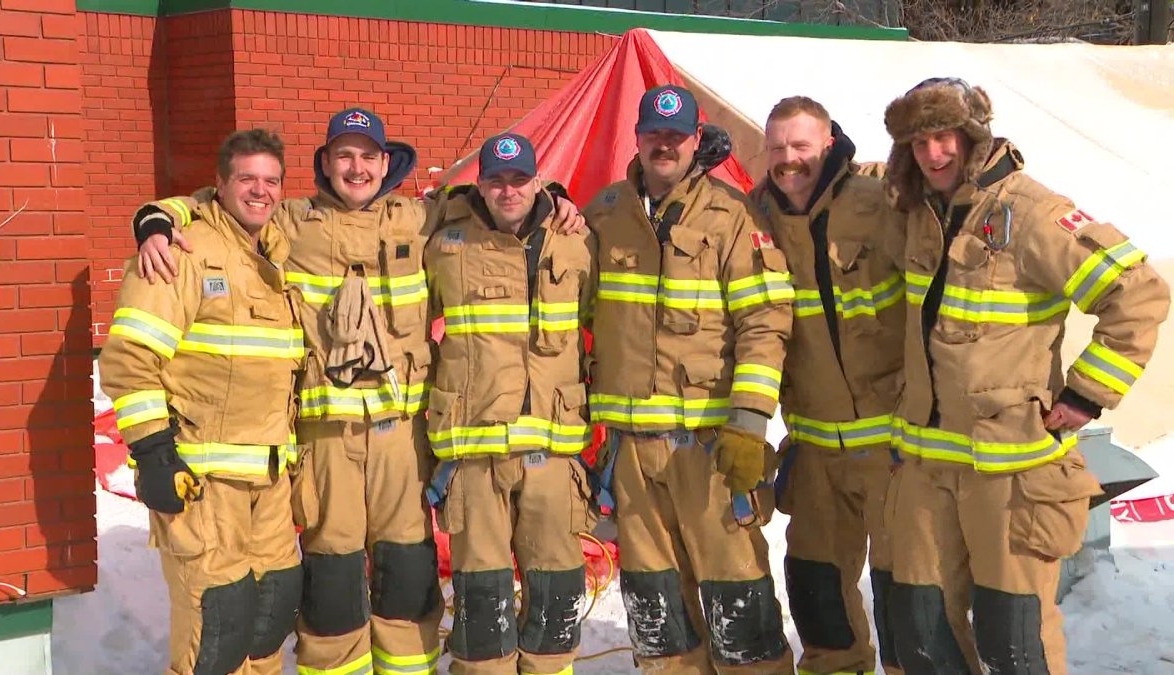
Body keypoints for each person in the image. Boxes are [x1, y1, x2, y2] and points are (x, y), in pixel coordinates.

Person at [130, 107, 585, 675]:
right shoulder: (291, 223)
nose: (357, 168)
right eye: (343, 156)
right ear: (325, 164)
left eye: (368, 156)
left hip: (403, 439)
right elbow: (220, 206)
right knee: (333, 585)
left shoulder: (421, 218)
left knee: (407, 579)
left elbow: (501, 196)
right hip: (328, 441)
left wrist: (559, 196)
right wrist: (156, 218)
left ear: (385, 163)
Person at [881, 77, 1171, 674]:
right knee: (919, 630)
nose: (933, 154)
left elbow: (1138, 294)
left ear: (972, 137)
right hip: (927, 468)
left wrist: (1086, 395)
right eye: (918, 143)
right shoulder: (915, 213)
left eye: (944, 138)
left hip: (1010, 471)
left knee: (1012, 640)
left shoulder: (1033, 213)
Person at [582, 84, 796, 673]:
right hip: (631, 456)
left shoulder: (733, 216)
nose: (664, 146)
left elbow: (766, 321)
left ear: (696, 141)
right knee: (658, 619)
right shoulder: (603, 214)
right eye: (654, 135)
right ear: (639, 138)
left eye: (676, 137)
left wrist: (749, 425)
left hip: (709, 450)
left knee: (739, 610)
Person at [99, 128, 302, 675]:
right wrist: (155, 453)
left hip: (269, 481)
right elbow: (128, 360)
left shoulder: (277, 252)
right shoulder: (182, 252)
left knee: (269, 617)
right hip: (203, 485)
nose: (260, 191)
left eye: (271, 180)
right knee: (219, 629)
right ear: (218, 184)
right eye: (246, 179)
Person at [421, 133, 598, 675]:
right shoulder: (442, 237)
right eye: (495, 180)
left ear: (538, 181)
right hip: (474, 451)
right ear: (479, 184)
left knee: (556, 592)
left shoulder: (578, 241)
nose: (508, 190)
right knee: (481, 602)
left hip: (553, 445)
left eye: (519, 179)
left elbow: (608, 328)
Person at [749, 95, 906, 675]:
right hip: (814, 448)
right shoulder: (754, 217)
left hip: (892, 447)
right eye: (779, 148)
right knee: (817, 591)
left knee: (909, 595)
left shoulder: (880, 200)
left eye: (802, 146)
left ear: (829, 142)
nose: (790, 160)